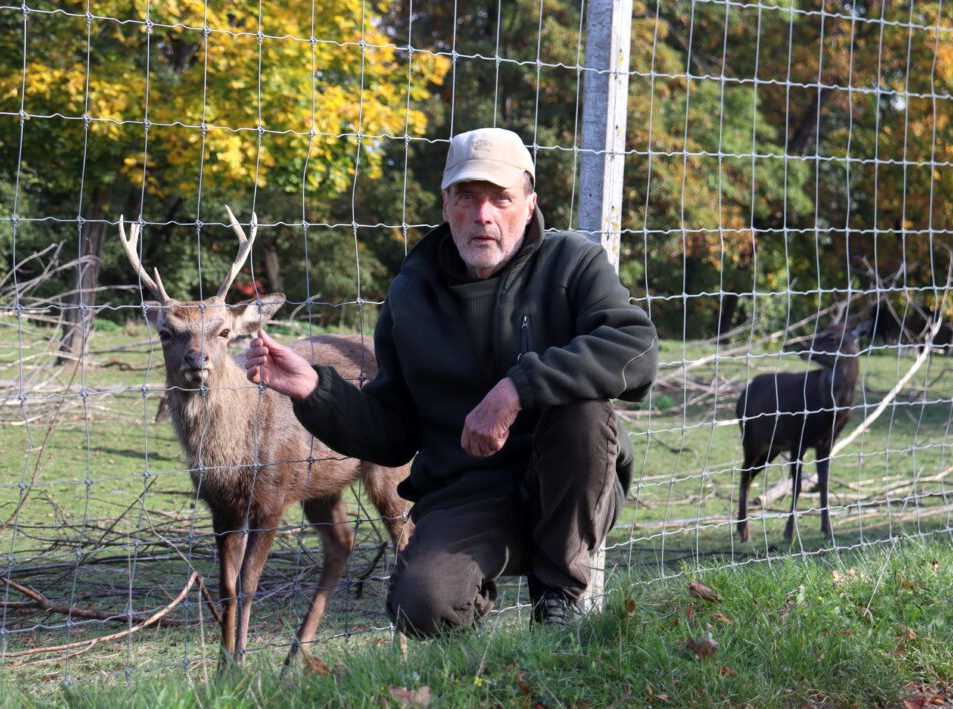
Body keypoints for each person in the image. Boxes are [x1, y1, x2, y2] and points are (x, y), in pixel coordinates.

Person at [245, 127, 658, 637]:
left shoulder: (573, 263)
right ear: (446, 205)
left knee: (582, 408)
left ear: (529, 205)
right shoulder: (410, 294)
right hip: (467, 496)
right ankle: (475, 664)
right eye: (467, 197)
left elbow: (637, 350)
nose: (482, 216)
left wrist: (516, 389)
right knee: (421, 606)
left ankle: (558, 604)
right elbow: (393, 431)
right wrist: (316, 390)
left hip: (572, 484)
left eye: (500, 199)